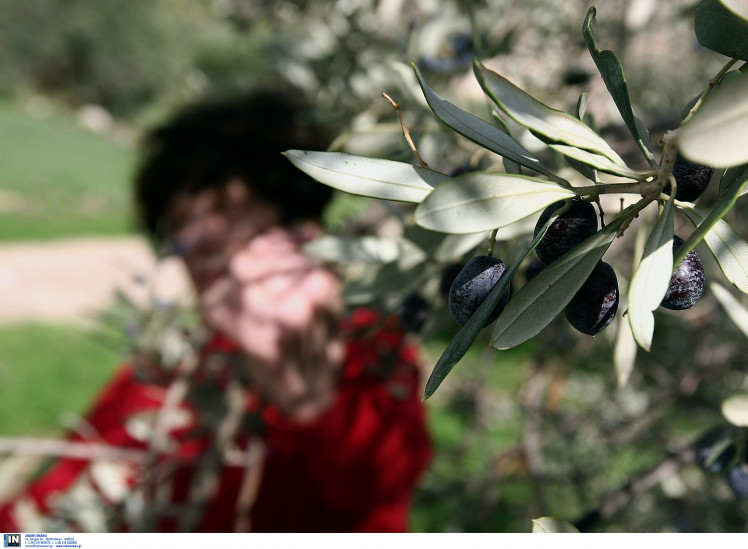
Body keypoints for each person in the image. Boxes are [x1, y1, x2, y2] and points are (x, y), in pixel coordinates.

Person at [0, 89, 432, 533]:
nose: (196, 240)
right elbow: (44, 521)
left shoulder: (363, 340)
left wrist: (317, 402)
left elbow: (384, 477)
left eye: (226, 209)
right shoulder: (167, 370)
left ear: (300, 230)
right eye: (180, 220)